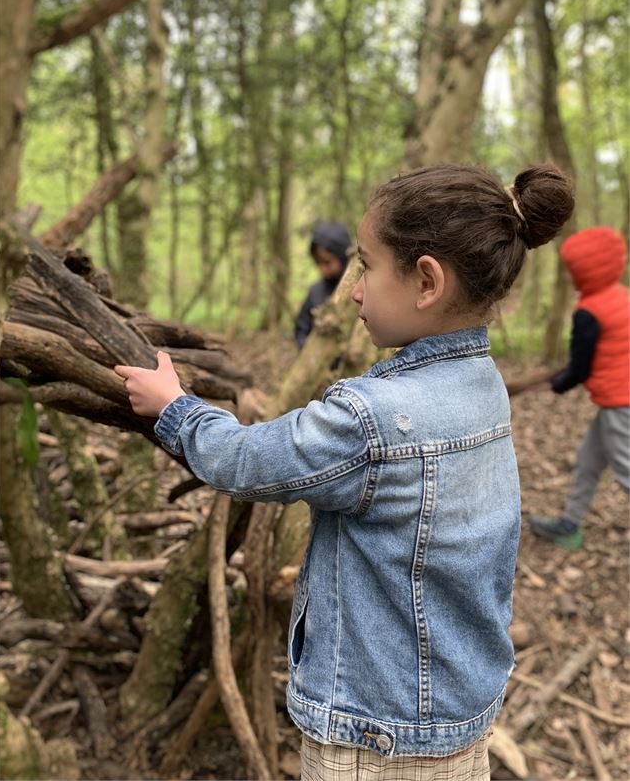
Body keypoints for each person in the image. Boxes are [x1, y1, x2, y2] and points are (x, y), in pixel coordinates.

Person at [115, 164, 573, 779]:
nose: (354, 289)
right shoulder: (483, 386)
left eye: (367, 265)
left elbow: (247, 461)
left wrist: (175, 409)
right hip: (458, 719)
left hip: (371, 738)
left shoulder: (372, 419)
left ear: (427, 281)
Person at [529, 226, 629, 550]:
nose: (571, 277)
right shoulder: (622, 296)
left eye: (575, 271)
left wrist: (556, 386)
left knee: (626, 471)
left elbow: (580, 366)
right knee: (588, 459)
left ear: (590, 271)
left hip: (620, 404)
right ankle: (569, 524)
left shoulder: (589, 312)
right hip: (620, 400)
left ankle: (569, 523)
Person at [294, 221, 352, 348]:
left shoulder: (358, 292)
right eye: (318, 263)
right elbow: (301, 330)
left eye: (327, 262)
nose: (322, 270)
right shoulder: (315, 292)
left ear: (342, 256)